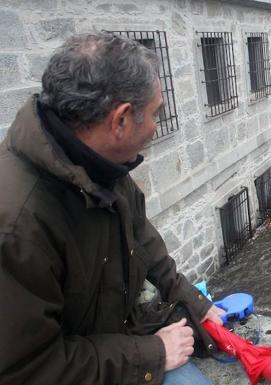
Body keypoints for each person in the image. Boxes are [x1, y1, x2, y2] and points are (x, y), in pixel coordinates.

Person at [0, 33, 225, 385]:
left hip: (109, 344)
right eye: (155, 114)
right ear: (120, 121)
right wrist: (153, 355)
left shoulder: (100, 164)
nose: (155, 127)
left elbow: (143, 243)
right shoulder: (16, 225)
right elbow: (27, 370)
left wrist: (198, 304)